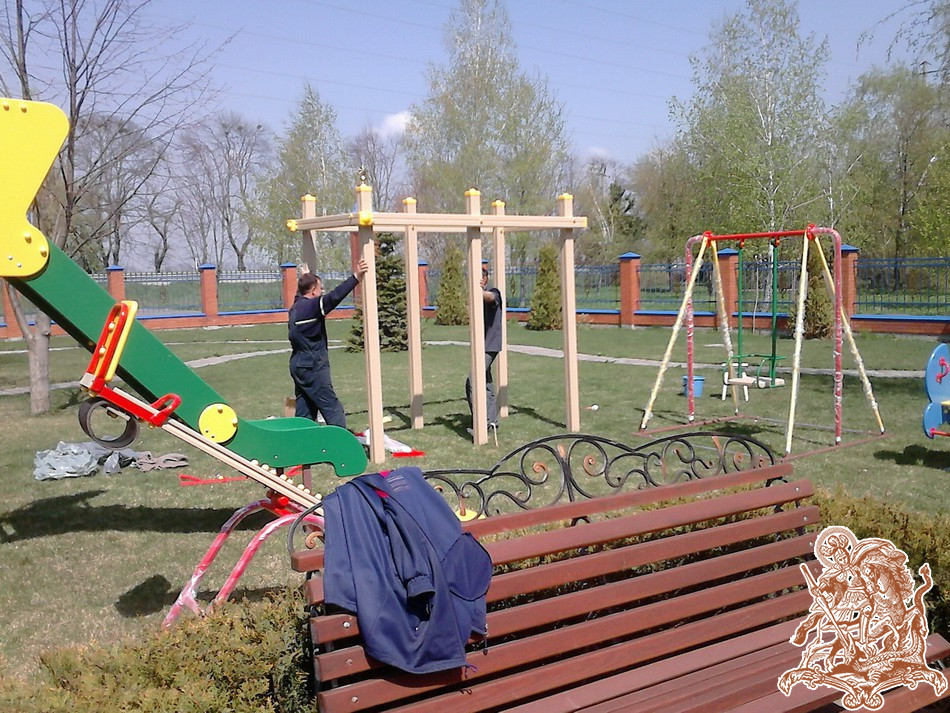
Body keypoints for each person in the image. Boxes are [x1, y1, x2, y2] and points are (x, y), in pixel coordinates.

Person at [289, 258, 368, 428]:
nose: (322, 291)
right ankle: (340, 443)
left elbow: (300, 293)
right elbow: (335, 297)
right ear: (312, 291)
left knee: (305, 411)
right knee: (333, 409)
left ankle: (301, 442)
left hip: (298, 365)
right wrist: (356, 277)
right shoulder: (312, 307)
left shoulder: (296, 306)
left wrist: (305, 276)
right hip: (313, 366)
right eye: (320, 288)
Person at [466, 263, 503, 433]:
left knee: (473, 381)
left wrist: (478, 292)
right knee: (486, 383)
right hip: (480, 346)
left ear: (485, 279)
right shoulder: (476, 299)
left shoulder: (494, 292)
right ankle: (492, 421)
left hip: (490, 345)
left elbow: (490, 298)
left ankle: (481, 423)